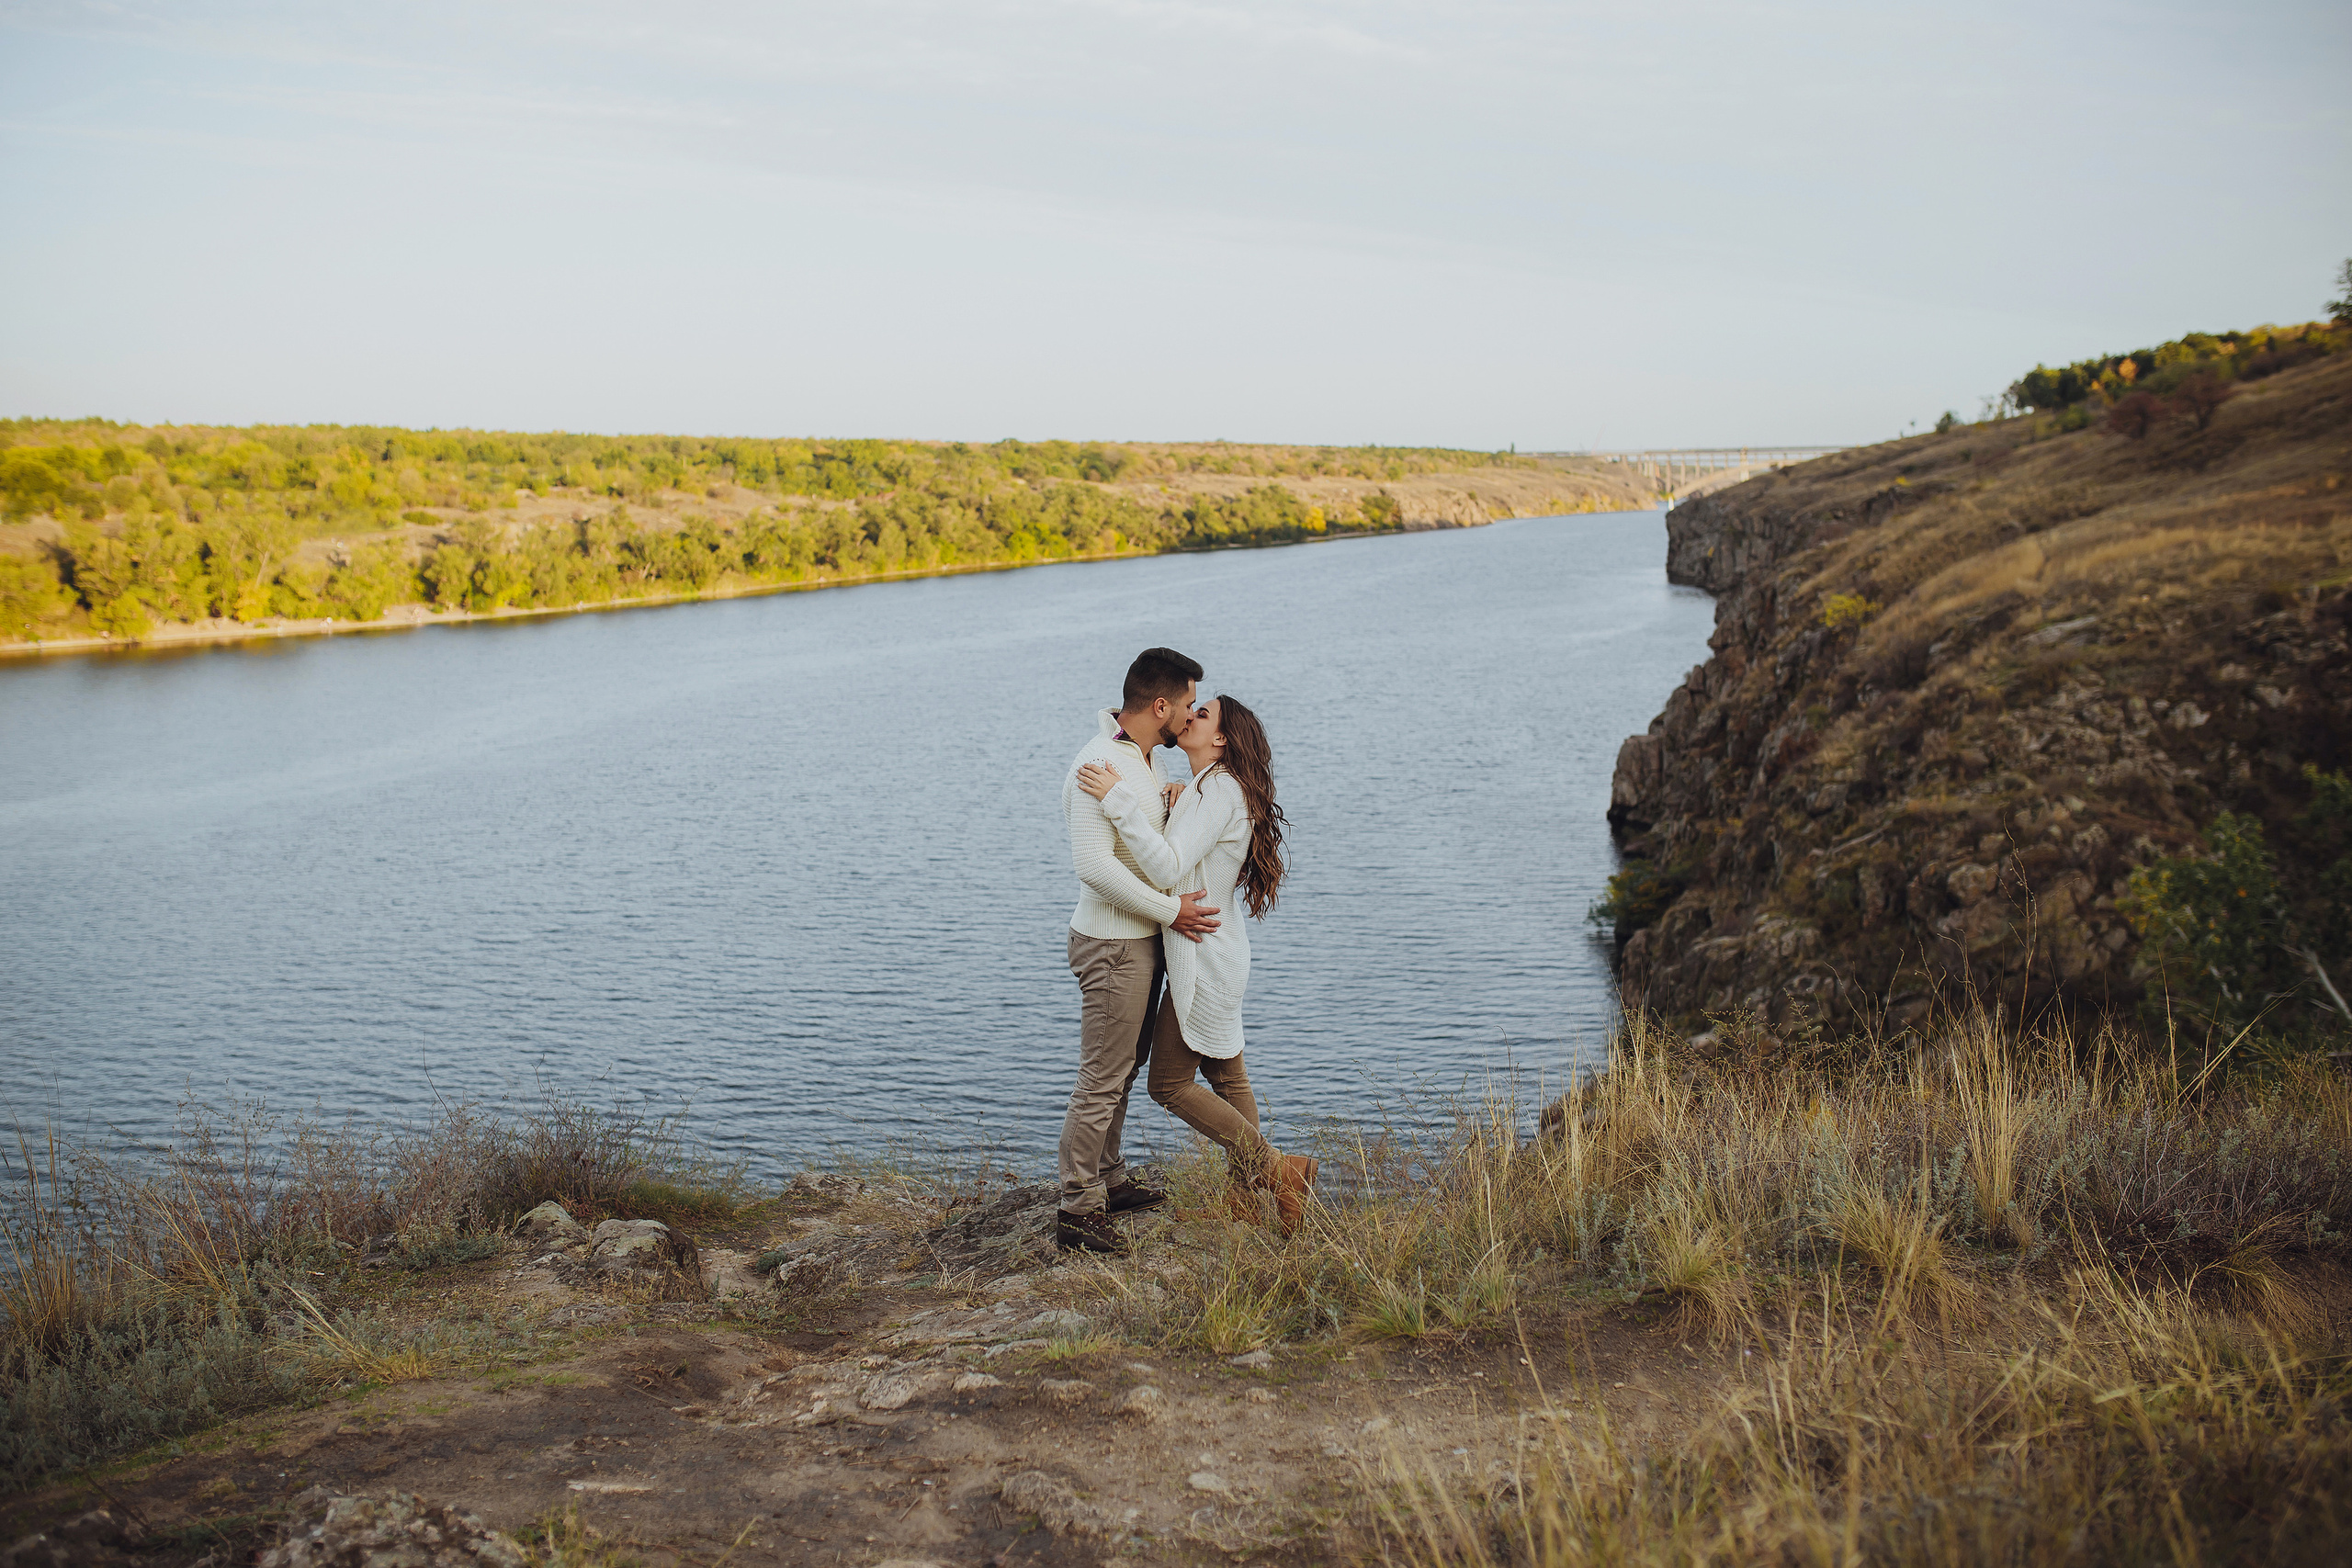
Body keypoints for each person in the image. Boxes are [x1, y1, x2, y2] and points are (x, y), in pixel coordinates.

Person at [1074, 694, 1317, 1234]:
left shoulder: (1220, 789)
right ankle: (1244, 1199)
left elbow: (1167, 867)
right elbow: (1188, 846)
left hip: (1203, 954)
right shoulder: (1209, 788)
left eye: (1201, 714)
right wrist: (1172, 803)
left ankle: (1280, 1170)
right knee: (1226, 1074)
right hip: (1215, 947)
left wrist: (1119, 801)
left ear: (1222, 739)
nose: (1189, 716)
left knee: (1168, 1084)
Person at [1056, 647, 1223, 1256]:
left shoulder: (1139, 758)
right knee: (1102, 1077)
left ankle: (1109, 1179)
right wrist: (1171, 911)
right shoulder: (1100, 761)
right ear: (1161, 704)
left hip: (1136, 943)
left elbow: (1140, 847)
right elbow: (1095, 868)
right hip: (1111, 944)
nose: (1190, 715)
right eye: (1186, 704)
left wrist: (1169, 803)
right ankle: (1077, 1207)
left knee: (1122, 1069)